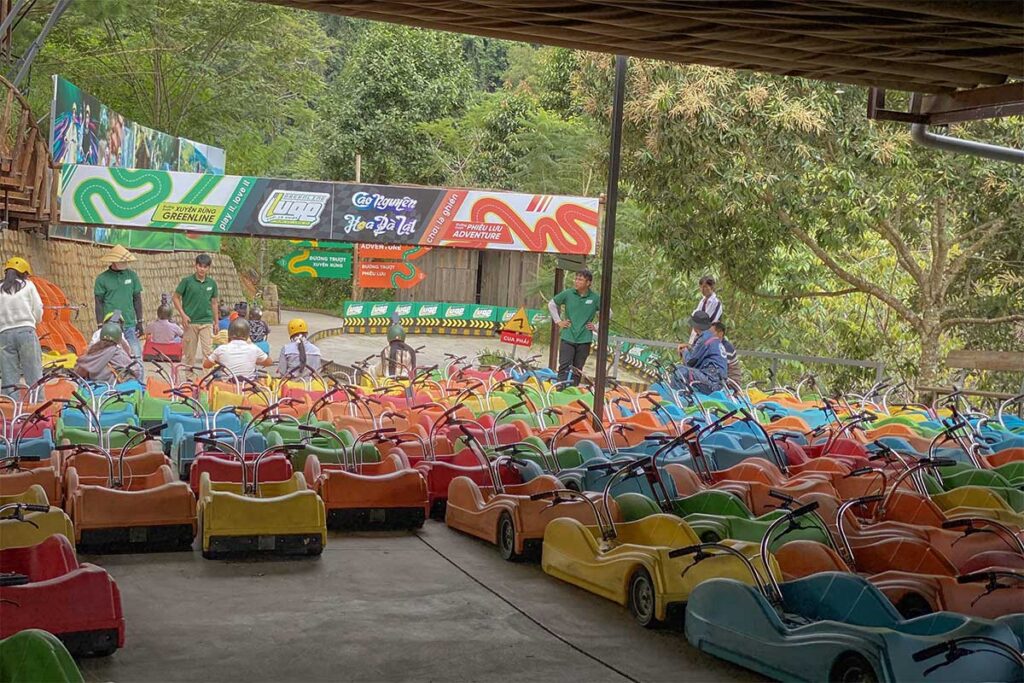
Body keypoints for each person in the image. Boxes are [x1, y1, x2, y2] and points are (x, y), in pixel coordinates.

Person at [94, 244, 144, 380]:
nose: (124, 264)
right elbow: (98, 303)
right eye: (121, 261)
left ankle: (140, 386)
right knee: (109, 357)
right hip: (110, 327)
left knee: (137, 356)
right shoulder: (102, 279)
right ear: (113, 261)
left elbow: (137, 299)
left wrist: (140, 322)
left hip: (128, 324)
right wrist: (100, 325)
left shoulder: (132, 276)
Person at [548, 269, 601, 386]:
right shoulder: (568, 294)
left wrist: (597, 326)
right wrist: (558, 321)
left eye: (580, 279)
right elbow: (551, 304)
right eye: (576, 278)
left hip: (584, 339)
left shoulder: (595, 298)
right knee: (564, 365)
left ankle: (573, 391)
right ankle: (559, 389)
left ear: (588, 283)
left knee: (578, 368)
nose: (576, 281)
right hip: (568, 336)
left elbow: (609, 313)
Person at [0, 257, 44, 397]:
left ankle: (10, 410)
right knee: (33, 372)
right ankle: (37, 406)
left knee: (8, 375)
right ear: (24, 272)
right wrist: (36, 321)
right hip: (26, 332)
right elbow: (38, 308)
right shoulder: (28, 285)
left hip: (4, 335)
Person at [173, 253, 219, 372]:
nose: (202, 269)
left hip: (206, 321)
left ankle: (207, 379)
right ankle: (189, 379)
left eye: (205, 267)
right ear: (196, 266)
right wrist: (183, 315)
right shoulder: (187, 281)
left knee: (208, 353)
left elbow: (214, 303)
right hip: (190, 322)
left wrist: (216, 322)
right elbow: (175, 297)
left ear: (208, 268)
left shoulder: (212, 283)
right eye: (200, 266)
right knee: (189, 353)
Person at [672, 311, 727, 393]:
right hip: (720, 382)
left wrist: (684, 351)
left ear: (695, 326)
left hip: (712, 382)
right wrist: (689, 348)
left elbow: (690, 362)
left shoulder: (704, 338)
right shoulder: (713, 339)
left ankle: (680, 399)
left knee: (679, 370)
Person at [74, 321, 142, 384]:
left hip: (94, 390)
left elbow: (80, 372)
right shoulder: (117, 353)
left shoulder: (93, 351)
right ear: (118, 338)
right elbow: (137, 370)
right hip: (113, 391)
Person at [204, 318, 273, 378]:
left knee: (216, 375)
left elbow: (206, 365)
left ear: (229, 334)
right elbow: (269, 362)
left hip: (227, 387)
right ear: (247, 335)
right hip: (247, 386)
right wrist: (255, 361)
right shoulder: (253, 348)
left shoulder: (221, 349)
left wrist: (220, 360)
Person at [688, 275, 723, 344]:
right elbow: (695, 316)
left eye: (705, 287)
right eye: (701, 287)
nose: (702, 290)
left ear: (712, 287)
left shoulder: (716, 303)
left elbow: (707, 321)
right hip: (695, 337)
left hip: (707, 339)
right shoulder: (702, 301)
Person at [711, 321, 742, 386]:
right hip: (722, 379)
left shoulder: (727, 348)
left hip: (731, 382)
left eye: (711, 333)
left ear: (720, 333)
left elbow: (719, 368)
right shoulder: (714, 345)